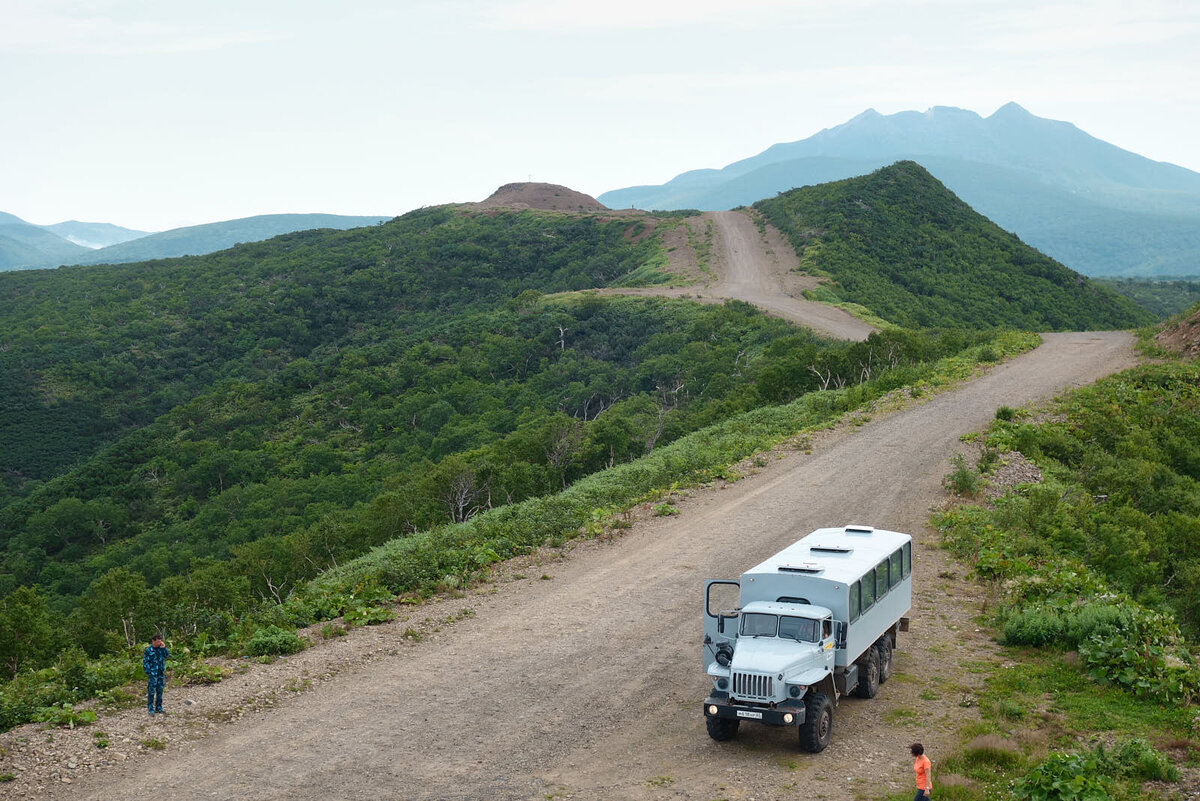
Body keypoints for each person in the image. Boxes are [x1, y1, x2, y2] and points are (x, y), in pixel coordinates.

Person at [143, 634, 169, 716]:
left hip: (160, 673)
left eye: (160, 641)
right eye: (158, 641)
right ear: (153, 641)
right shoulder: (148, 650)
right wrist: (149, 672)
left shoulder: (161, 649)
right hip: (153, 674)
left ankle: (159, 707)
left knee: (160, 691)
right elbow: (145, 662)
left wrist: (164, 648)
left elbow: (167, 655)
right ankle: (150, 709)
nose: (159, 642)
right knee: (151, 691)